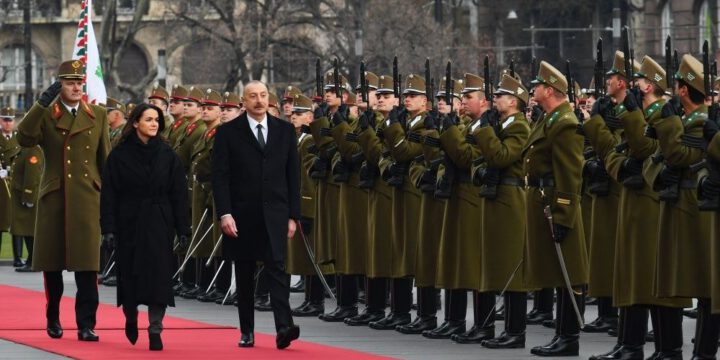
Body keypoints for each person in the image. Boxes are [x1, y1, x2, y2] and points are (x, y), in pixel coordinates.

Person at [17, 60, 111, 342]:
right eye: (69, 83)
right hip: (55, 200)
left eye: (79, 83)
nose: (75, 87)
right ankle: (53, 316)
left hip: (86, 199)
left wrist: (110, 205)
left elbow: (104, 161)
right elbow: (24, 139)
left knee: (87, 268)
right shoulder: (46, 115)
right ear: (59, 86)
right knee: (53, 267)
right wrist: (40, 106)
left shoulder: (97, 114)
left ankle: (86, 324)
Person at [212, 80, 301, 349]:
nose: (259, 100)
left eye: (263, 95)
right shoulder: (228, 133)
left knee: (277, 269)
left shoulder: (285, 131)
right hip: (242, 214)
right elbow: (221, 178)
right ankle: (247, 330)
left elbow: (292, 176)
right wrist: (225, 213)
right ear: (244, 101)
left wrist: (293, 216)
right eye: (253, 96)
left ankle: (284, 326)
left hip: (275, 213)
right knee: (246, 271)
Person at [100, 103, 190, 351]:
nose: (154, 124)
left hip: (160, 223)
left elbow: (179, 194)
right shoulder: (119, 155)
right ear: (136, 123)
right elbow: (109, 194)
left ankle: (155, 328)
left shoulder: (168, 154)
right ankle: (130, 317)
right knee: (130, 276)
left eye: (157, 120)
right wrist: (108, 229)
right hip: (129, 222)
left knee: (159, 277)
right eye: (148, 119)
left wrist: (183, 229)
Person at [524, 60, 588, 357]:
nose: (532, 89)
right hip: (545, 199)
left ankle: (569, 337)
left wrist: (564, 213)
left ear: (549, 90)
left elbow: (569, 173)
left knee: (570, 270)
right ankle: (561, 335)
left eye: (536, 85)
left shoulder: (565, 123)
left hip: (559, 203)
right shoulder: (549, 118)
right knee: (559, 271)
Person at [0, 107, 22, 267]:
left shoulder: (19, 139)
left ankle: (18, 257)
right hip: (0, 187)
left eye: (10, 120)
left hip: (14, 185)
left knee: (17, 222)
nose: (8, 123)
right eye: (5, 119)